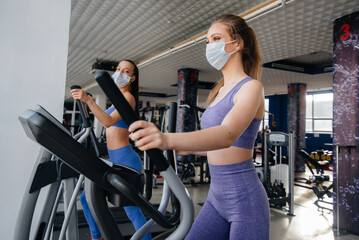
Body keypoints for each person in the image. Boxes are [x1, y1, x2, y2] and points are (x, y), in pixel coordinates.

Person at [128, 14, 270, 239]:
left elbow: (227, 135)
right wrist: (185, 148)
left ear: (237, 44)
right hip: (216, 196)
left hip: (245, 198)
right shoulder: (217, 92)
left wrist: (166, 139)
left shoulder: (251, 87)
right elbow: (219, 147)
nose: (210, 46)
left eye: (216, 38)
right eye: (208, 41)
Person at [71, 60, 151, 240]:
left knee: (132, 212)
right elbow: (105, 118)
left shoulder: (128, 98)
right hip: (116, 159)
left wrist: (89, 100)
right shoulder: (116, 99)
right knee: (86, 198)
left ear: (132, 78)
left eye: (126, 71)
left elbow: (107, 122)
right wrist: (87, 104)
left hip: (126, 161)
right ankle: (96, 236)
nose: (121, 72)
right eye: (119, 69)